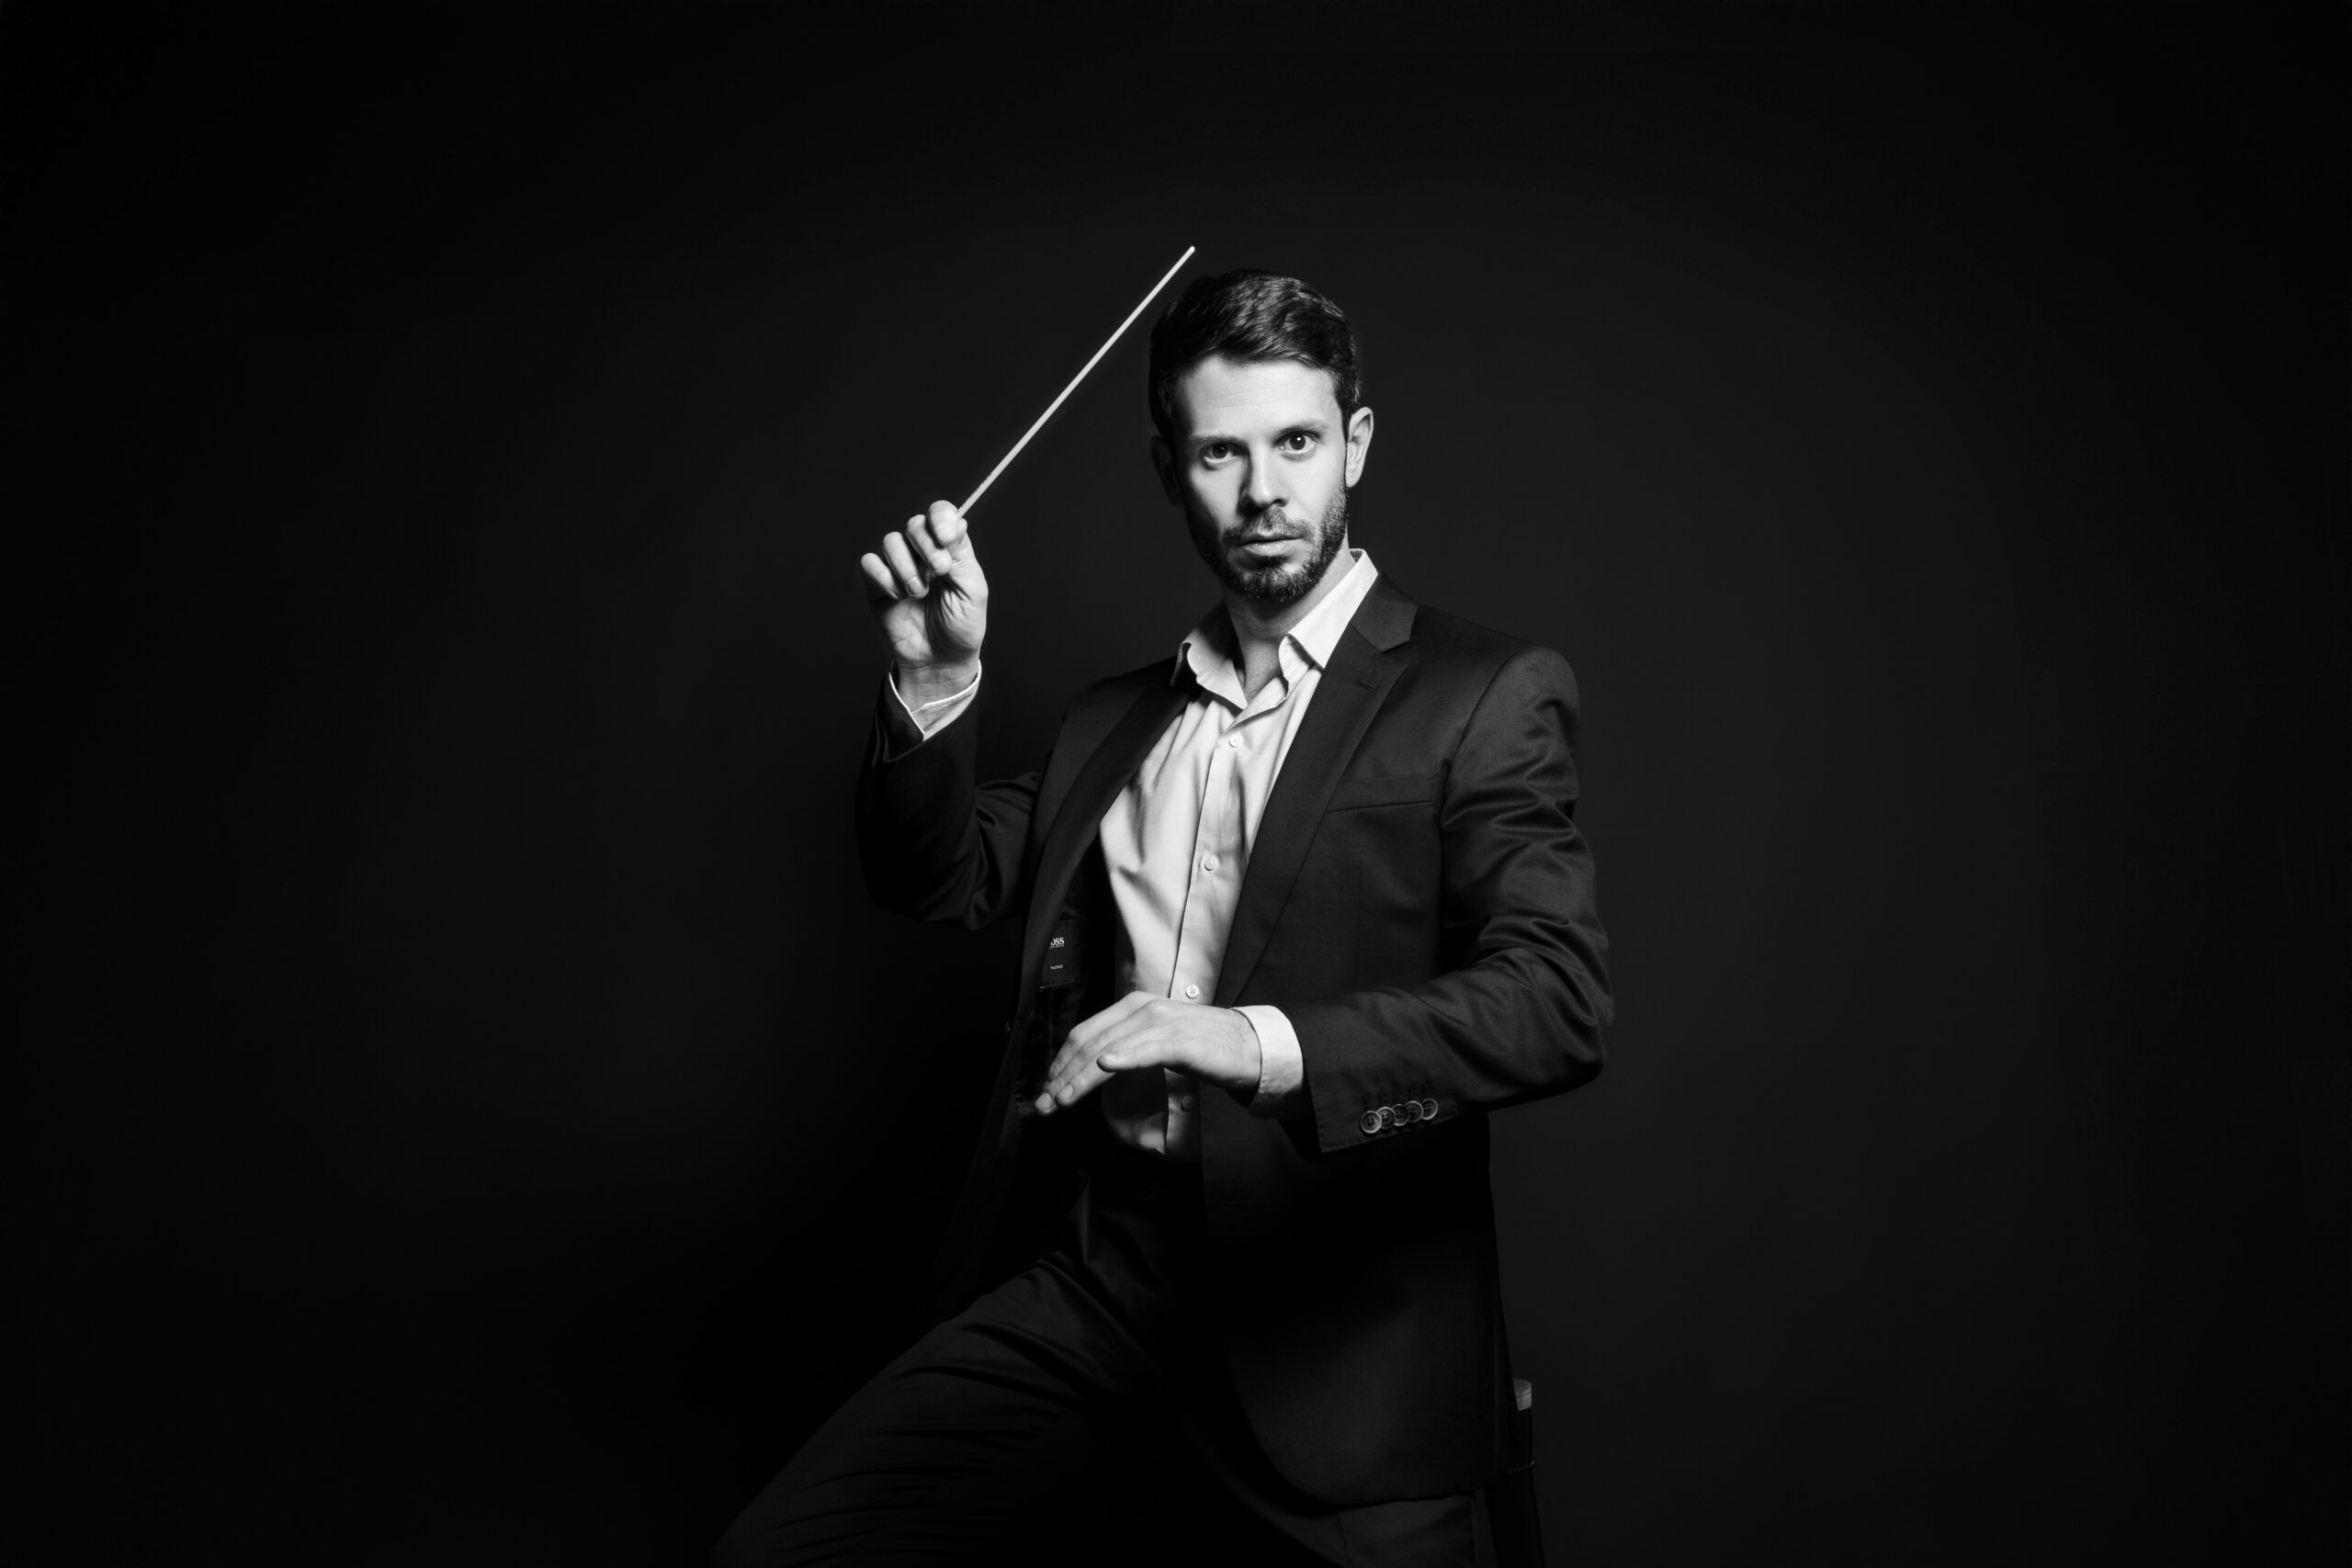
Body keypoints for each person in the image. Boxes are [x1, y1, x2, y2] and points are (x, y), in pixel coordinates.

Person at [714, 270, 1612, 1566]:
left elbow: (1557, 1005)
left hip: (1336, 1329)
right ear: (1169, 469)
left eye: (1296, 443)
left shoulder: (1483, 693)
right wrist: (935, 679)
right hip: (1103, 1289)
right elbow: (939, 878)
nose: (1264, 492)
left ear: (1355, 444)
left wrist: (1243, 1039)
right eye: (1220, 453)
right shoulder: (1115, 719)